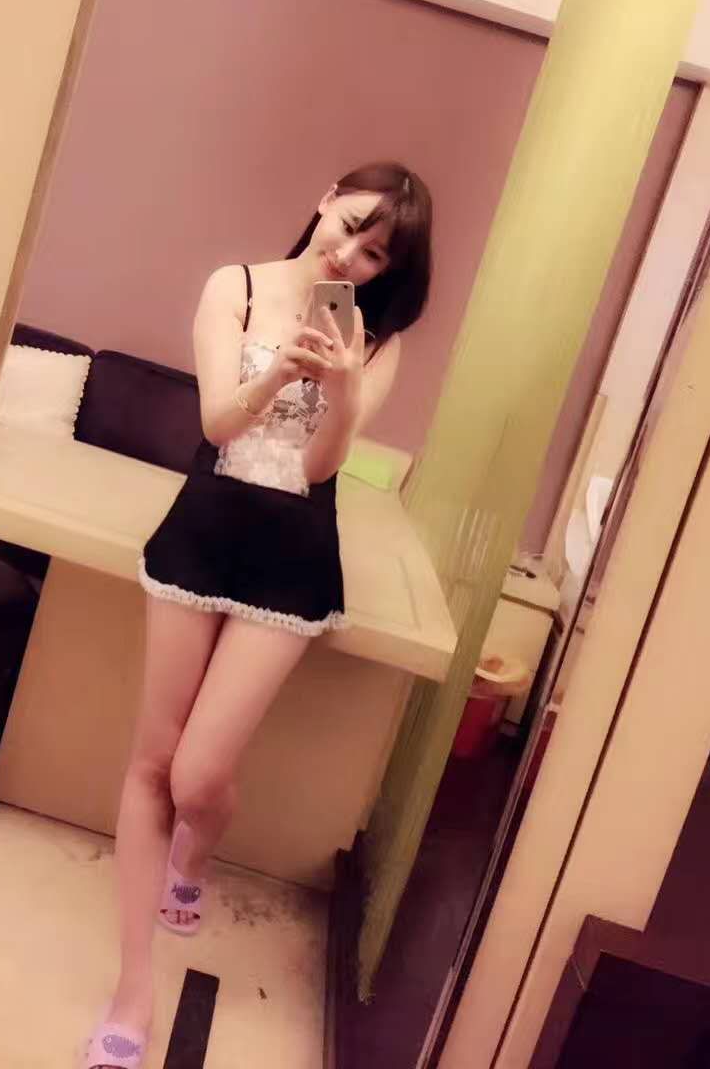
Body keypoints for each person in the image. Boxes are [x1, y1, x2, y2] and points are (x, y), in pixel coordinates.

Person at [83, 162, 433, 1069]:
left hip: (294, 554)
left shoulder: (379, 341)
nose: (350, 256)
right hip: (203, 532)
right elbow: (216, 425)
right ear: (324, 198)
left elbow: (319, 471)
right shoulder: (234, 286)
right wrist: (280, 366)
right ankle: (133, 988)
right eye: (350, 227)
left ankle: (193, 860)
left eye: (375, 253)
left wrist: (344, 387)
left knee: (201, 776)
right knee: (154, 764)